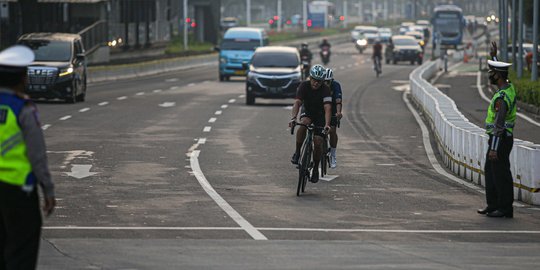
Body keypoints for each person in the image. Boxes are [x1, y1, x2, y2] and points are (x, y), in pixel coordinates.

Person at [0, 45, 56, 269]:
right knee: (21, 251)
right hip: (18, 191)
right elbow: (37, 155)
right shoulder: (23, 109)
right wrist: (48, 190)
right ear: (22, 79)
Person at [477, 42, 516, 218]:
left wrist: (494, 148)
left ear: (498, 76)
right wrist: (494, 57)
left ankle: (505, 208)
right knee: (491, 173)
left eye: (491, 73)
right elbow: (501, 73)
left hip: (500, 140)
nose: (489, 76)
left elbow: (499, 126)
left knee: (501, 175)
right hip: (497, 139)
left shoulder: (502, 98)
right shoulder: (507, 87)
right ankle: (492, 205)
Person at [289, 64, 332, 183]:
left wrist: (327, 125)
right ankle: (297, 152)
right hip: (307, 111)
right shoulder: (304, 86)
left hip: (320, 115)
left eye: (319, 81)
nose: (316, 83)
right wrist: (293, 118)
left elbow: (328, 108)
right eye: (314, 80)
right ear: (310, 78)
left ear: (322, 81)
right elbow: (297, 102)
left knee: (318, 142)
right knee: (303, 124)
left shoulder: (325, 89)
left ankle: (315, 169)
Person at [323, 68, 343, 168]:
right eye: (324, 81)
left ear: (331, 80)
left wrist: (338, 112)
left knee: (332, 130)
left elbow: (338, 101)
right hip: (321, 107)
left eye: (328, 82)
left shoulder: (336, 86)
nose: (326, 84)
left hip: (333, 107)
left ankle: (333, 154)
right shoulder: (319, 86)